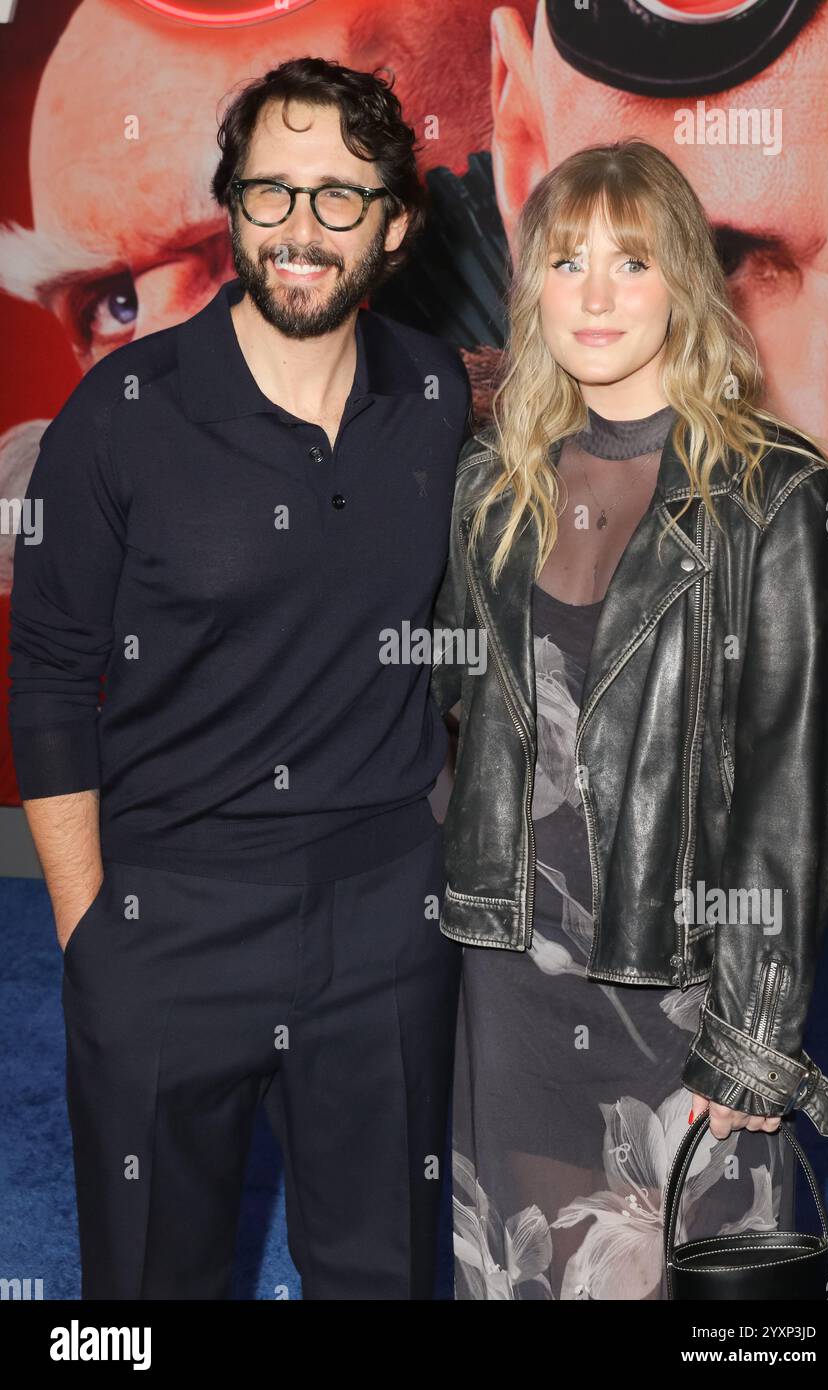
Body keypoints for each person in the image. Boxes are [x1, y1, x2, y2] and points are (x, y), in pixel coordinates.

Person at [7, 56, 471, 1300]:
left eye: (336, 196)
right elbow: (50, 680)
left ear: (395, 222)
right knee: (144, 1298)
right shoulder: (121, 412)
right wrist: (90, 933)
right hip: (169, 918)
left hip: (385, 918)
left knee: (380, 1275)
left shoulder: (434, 398)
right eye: (269, 193)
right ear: (232, 207)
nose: (299, 231)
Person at [429, 139, 828, 1300]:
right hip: (510, 967)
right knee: (528, 1265)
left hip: (676, 976)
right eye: (565, 263)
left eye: (629, 261)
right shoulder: (491, 484)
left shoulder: (775, 493)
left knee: (689, 1282)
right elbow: (455, 723)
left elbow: (792, 781)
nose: (596, 294)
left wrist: (753, 1031)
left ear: (681, 279)